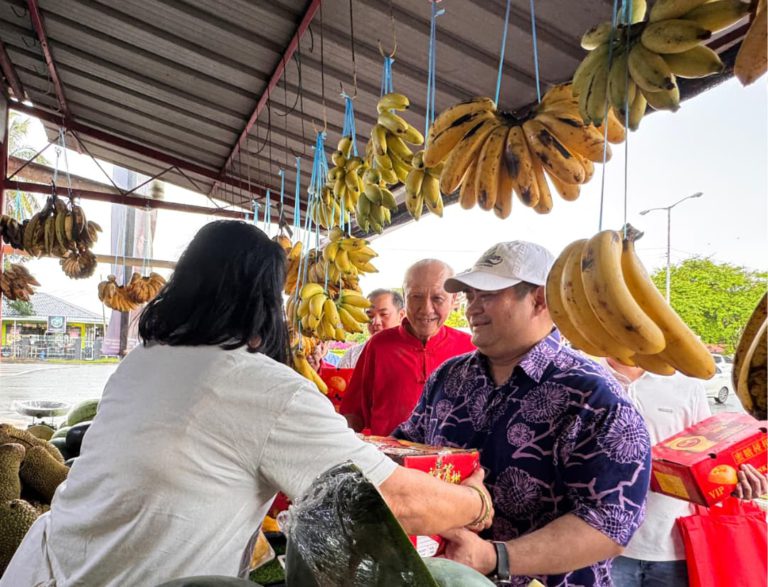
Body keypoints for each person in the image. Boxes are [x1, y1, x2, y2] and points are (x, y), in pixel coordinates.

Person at [1, 221, 495, 587]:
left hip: (43, 568)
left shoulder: (143, 361)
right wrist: (475, 503)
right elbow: (391, 499)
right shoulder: (265, 388)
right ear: (265, 300)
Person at [394, 241, 653, 586]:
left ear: (540, 299)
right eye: (470, 296)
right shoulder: (449, 376)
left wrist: (494, 557)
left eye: (487, 295)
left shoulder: (594, 396)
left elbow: (609, 524)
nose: (472, 309)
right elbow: (404, 448)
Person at [606, 357, 768, 587]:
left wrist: (738, 485)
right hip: (603, 547)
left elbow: (711, 460)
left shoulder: (685, 384)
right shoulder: (586, 376)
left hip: (673, 546)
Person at [341, 259, 475, 436]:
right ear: (404, 297)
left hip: (450, 463)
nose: (426, 309)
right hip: (390, 461)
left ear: (453, 299)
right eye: (416, 297)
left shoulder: (471, 348)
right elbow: (353, 414)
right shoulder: (378, 345)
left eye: (437, 298)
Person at [338, 288, 406, 369]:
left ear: (401, 315)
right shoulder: (352, 356)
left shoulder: (413, 355)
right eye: (370, 316)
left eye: (384, 314)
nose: (376, 322)